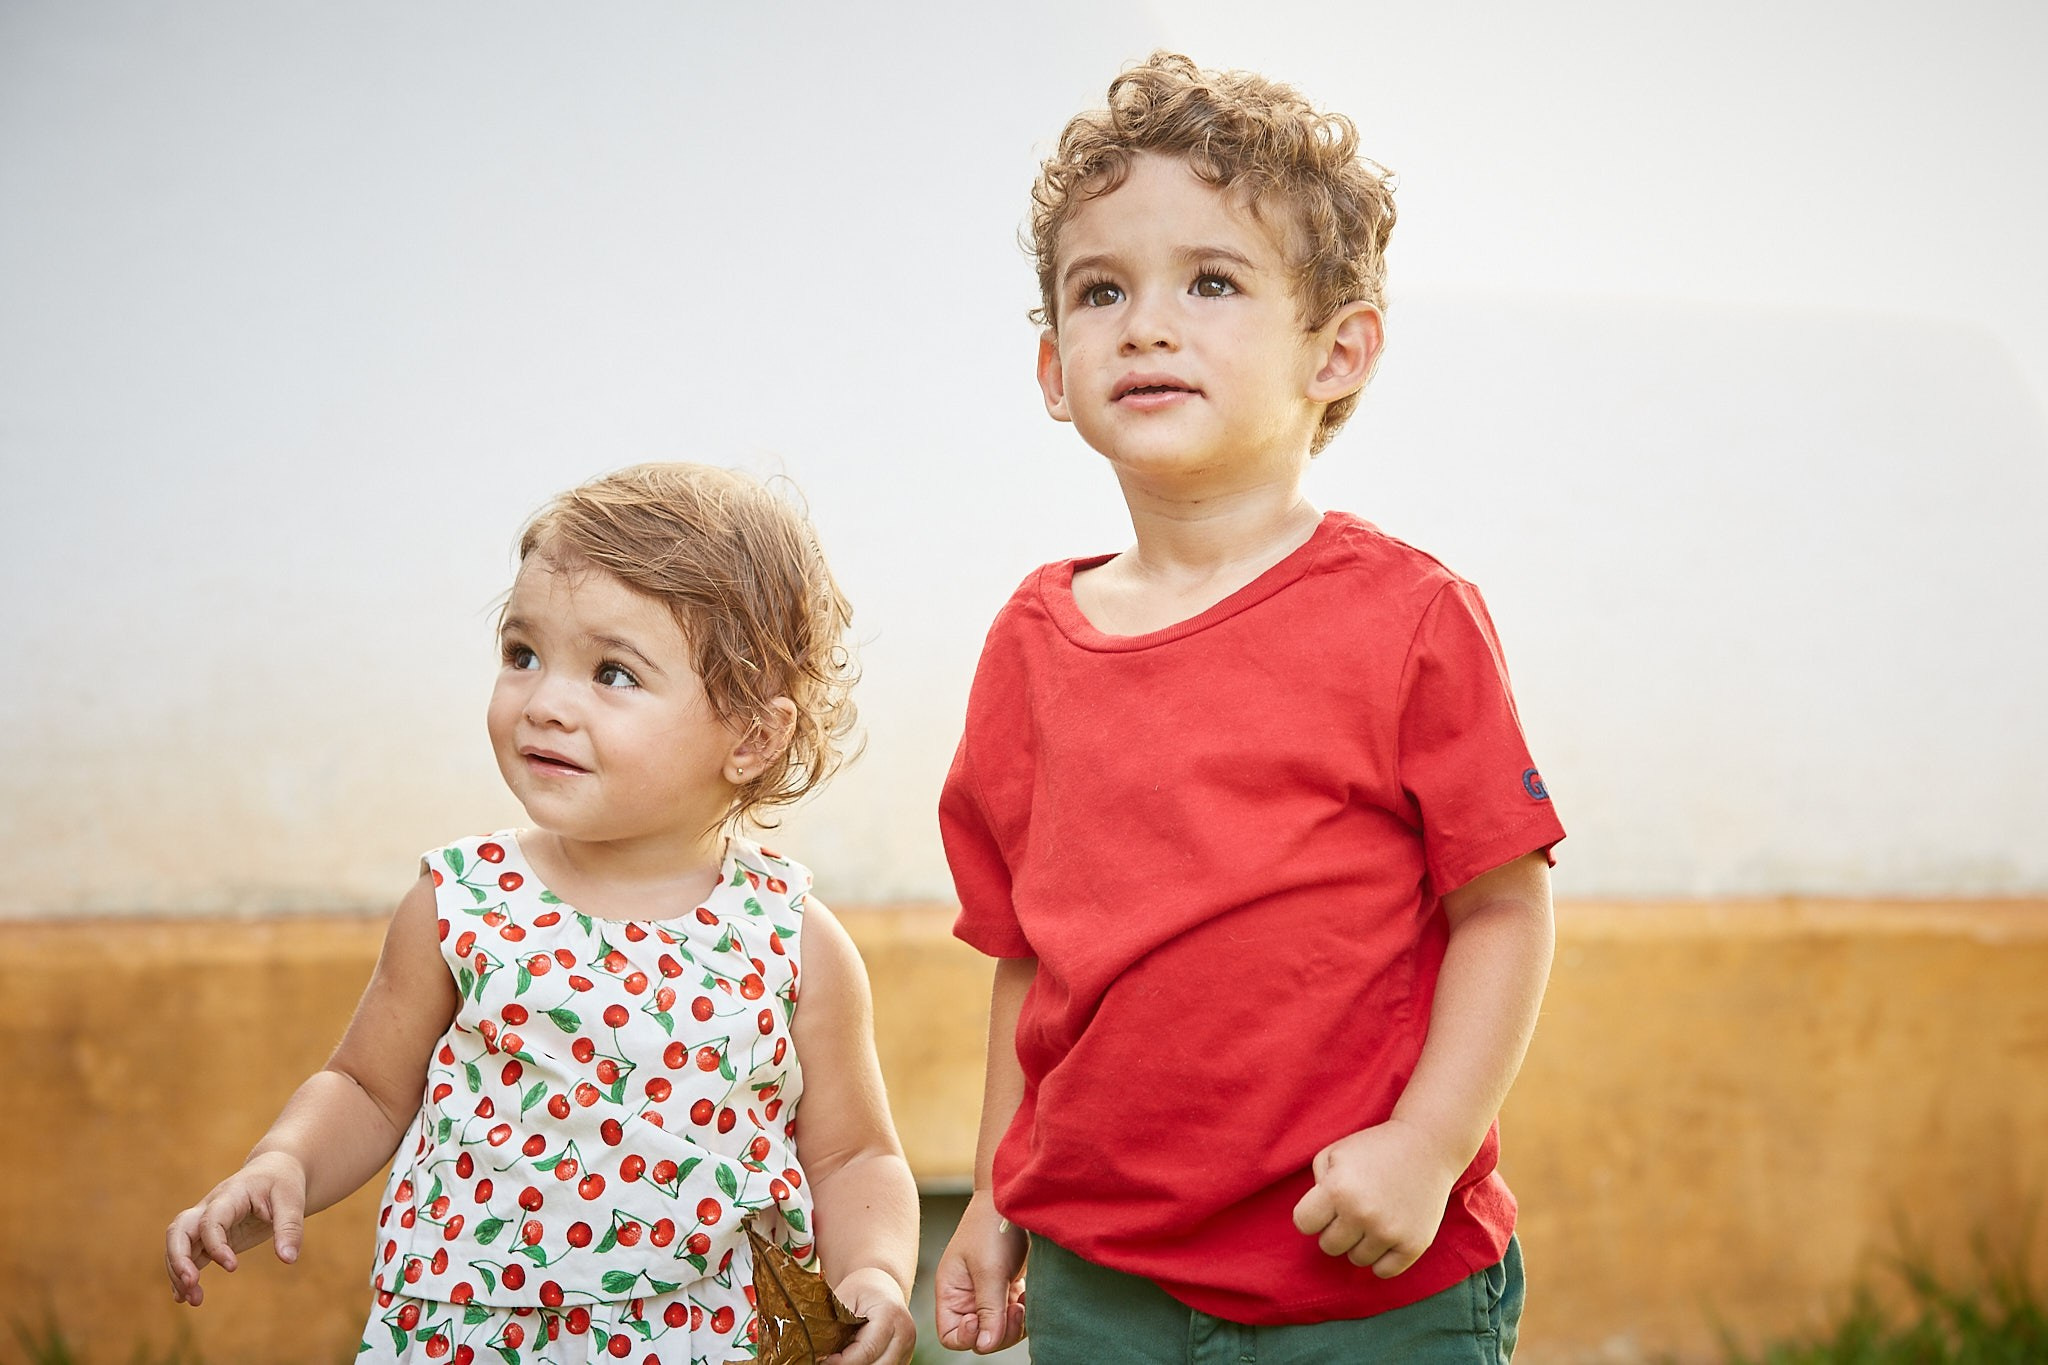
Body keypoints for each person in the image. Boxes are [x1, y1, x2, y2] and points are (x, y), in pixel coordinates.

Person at [933, 53, 1565, 1363]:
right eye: (1103, 290)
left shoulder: (1409, 618)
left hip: (1365, 1275)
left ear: (1337, 350)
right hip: (1102, 1279)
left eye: (1211, 282)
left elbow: (1503, 909)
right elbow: (1028, 958)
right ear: (1054, 366)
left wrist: (1427, 1147)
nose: (1148, 324)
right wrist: (999, 1189)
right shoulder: (1029, 645)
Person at [166, 464, 919, 1365]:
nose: (546, 703)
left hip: (709, 1335)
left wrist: (873, 1273)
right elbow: (366, 1087)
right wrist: (283, 1160)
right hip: (476, 1331)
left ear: (752, 736)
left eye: (613, 673)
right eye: (523, 654)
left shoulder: (790, 940)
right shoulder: (462, 903)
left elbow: (852, 1158)